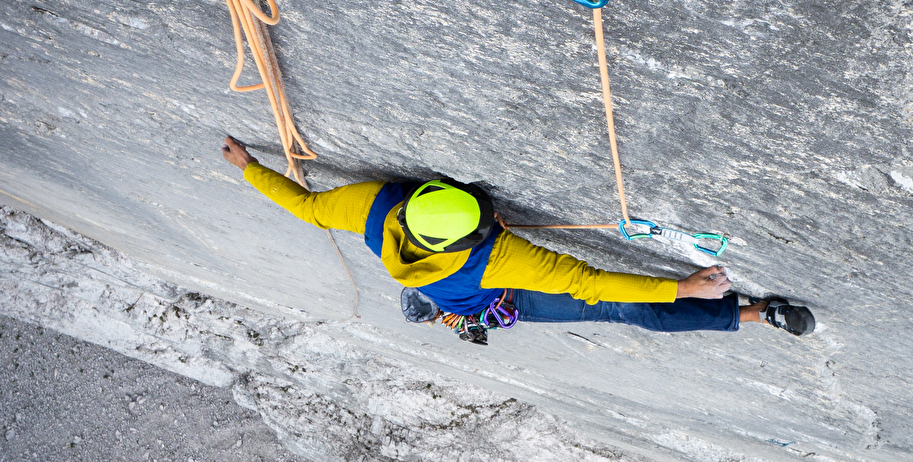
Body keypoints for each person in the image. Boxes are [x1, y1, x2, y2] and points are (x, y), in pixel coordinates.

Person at [220, 136, 814, 343]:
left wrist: (248, 168)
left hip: (453, 287)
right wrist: (681, 285)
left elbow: (306, 209)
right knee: (628, 307)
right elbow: (589, 282)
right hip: (500, 297)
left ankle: (429, 305)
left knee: (442, 304)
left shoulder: (374, 206)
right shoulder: (497, 258)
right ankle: (757, 316)